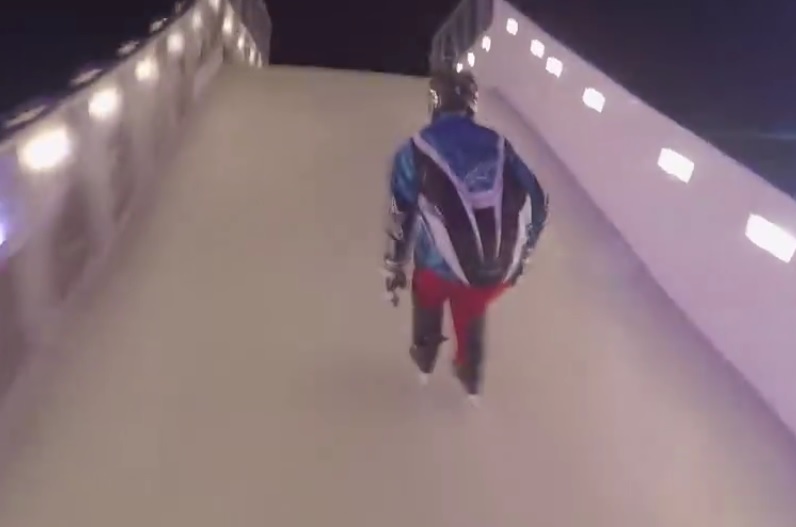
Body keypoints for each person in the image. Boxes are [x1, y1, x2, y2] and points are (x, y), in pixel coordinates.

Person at [382, 68, 549, 400]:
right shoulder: (498, 144)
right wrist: (525, 252)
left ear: (435, 102)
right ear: (471, 104)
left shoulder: (414, 149)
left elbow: (402, 214)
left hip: (435, 268)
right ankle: (470, 375)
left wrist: (394, 265)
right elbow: (538, 199)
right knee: (472, 306)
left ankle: (425, 358)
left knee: (427, 291)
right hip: (494, 272)